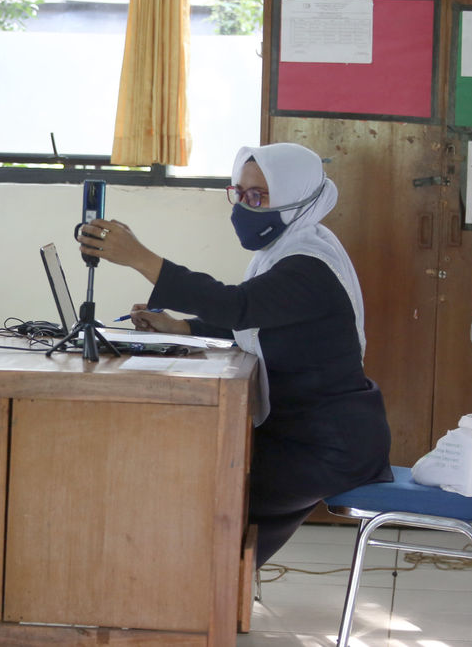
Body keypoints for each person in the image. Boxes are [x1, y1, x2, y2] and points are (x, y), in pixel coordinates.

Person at [77, 142, 392, 567]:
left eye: (258, 196)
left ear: (295, 197)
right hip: (311, 435)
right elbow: (257, 324)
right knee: (194, 469)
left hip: (327, 448)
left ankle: (193, 603)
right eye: (239, 193)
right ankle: (209, 600)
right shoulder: (288, 249)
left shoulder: (308, 263)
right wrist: (182, 327)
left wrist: (141, 258)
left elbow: (237, 306)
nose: (244, 206)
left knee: (195, 481)